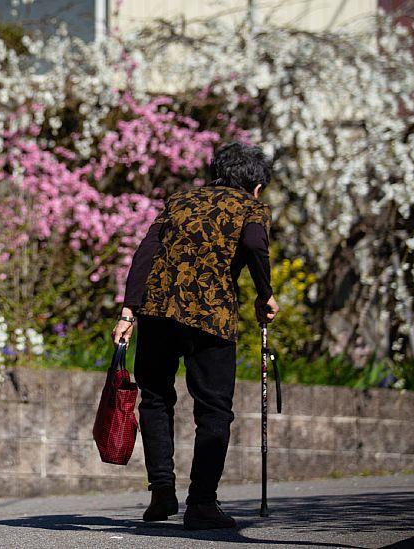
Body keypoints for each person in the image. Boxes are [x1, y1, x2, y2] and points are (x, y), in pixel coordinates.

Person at [112, 142, 279, 530]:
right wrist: (264, 293)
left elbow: (144, 254)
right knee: (214, 409)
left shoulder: (179, 201)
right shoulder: (251, 207)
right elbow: (254, 244)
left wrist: (128, 311)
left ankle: (162, 490)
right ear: (256, 186)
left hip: (158, 313)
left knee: (155, 399)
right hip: (212, 316)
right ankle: (202, 503)